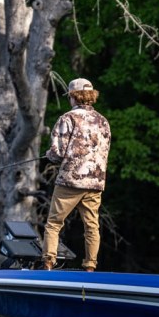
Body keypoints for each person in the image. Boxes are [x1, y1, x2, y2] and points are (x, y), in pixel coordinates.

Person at [41, 78, 111, 271]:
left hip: (70, 182)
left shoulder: (68, 118)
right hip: (95, 182)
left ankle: (48, 263)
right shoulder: (103, 121)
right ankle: (90, 266)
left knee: (54, 223)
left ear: (74, 96)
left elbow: (57, 153)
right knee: (92, 226)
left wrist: (48, 155)